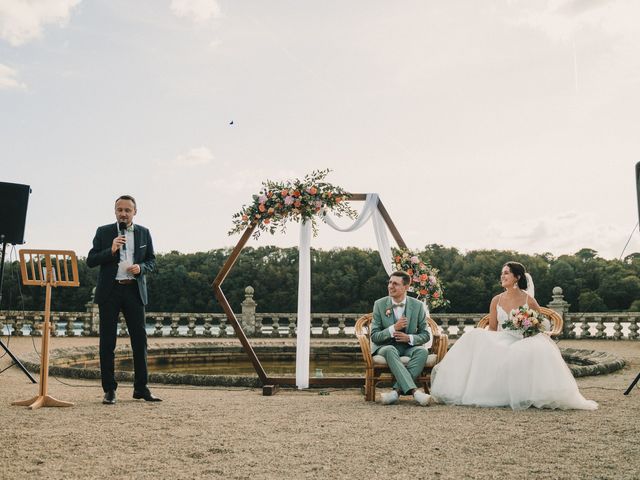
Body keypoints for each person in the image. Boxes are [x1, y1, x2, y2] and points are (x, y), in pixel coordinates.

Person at [430, 262, 597, 410]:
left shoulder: (528, 299)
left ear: (517, 277)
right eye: (502, 273)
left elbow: (543, 323)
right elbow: (493, 328)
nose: (502, 276)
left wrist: (529, 326)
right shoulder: (496, 300)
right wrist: (491, 344)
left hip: (522, 339)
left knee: (525, 349)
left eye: (506, 273)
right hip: (501, 337)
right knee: (473, 336)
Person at [87, 195, 161, 404]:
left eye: (127, 210)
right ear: (115, 212)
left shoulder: (144, 233)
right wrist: (110, 250)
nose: (123, 213)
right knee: (107, 343)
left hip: (134, 291)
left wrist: (141, 268)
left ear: (134, 212)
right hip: (110, 292)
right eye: (120, 209)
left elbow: (152, 261)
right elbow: (91, 260)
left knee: (140, 342)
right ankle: (109, 390)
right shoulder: (103, 232)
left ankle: (141, 388)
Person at [371, 271, 432, 406]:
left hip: (408, 347)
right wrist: (393, 328)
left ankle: (395, 392)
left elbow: (426, 335)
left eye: (395, 283)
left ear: (406, 287)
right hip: (385, 347)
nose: (390, 286)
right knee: (390, 349)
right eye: (389, 282)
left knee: (422, 351)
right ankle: (415, 392)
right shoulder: (379, 304)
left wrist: (409, 338)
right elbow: (374, 336)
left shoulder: (417, 305)